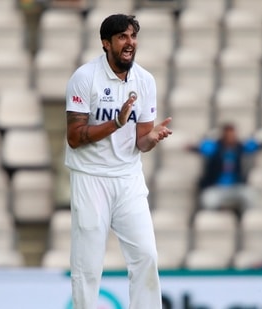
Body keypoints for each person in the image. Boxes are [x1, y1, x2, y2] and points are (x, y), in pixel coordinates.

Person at [64, 14, 172, 309]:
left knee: (146, 256)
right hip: (90, 176)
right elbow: (74, 137)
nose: (130, 43)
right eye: (122, 37)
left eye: (133, 36)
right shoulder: (85, 78)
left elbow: (140, 141)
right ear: (105, 43)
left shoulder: (145, 80)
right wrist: (116, 122)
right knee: (88, 264)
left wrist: (153, 138)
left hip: (128, 178)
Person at [187, 123, 262, 217]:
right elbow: (202, 148)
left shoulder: (240, 147)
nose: (230, 137)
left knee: (250, 196)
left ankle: (242, 219)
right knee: (208, 200)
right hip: (217, 188)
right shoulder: (215, 147)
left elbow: (256, 146)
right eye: (228, 134)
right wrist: (190, 147)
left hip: (236, 187)